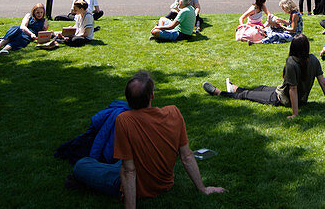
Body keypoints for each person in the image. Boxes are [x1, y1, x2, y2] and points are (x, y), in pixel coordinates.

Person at [69, 71, 225, 204]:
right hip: (165, 182)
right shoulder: (173, 112)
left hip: (137, 185)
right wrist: (202, 188)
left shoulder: (124, 120)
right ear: (152, 95)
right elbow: (187, 156)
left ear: (128, 100)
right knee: (117, 163)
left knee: (82, 164)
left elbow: (129, 171)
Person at [203, 34, 325, 118]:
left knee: (247, 95)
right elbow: (322, 83)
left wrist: (295, 113)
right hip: (289, 94)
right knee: (260, 88)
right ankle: (235, 88)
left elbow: (293, 89)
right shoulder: (313, 59)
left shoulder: (292, 62)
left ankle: (218, 92)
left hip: (281, 98)